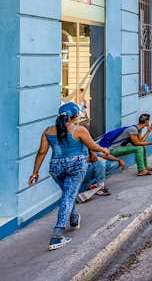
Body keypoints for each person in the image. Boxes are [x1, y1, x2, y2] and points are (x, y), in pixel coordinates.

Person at [28, 102, 109, 251]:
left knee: (68, 194)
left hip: (55, 167)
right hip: (76, 165)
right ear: (75, 116)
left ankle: (73, 218)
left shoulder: (48, 131)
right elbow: (92, 146)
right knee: (68, 196)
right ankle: (57, 235)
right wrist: (104, 149)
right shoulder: (79, 130)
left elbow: (41, 152)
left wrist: (35, 172)